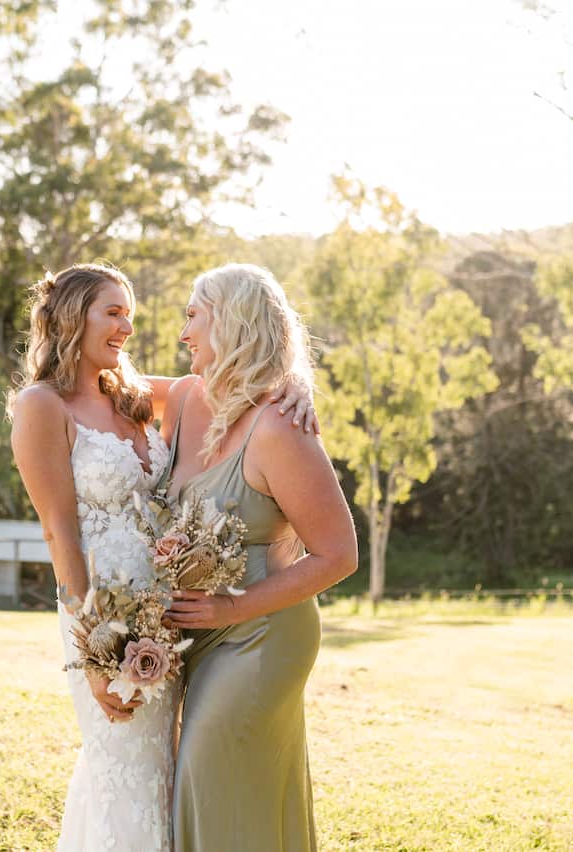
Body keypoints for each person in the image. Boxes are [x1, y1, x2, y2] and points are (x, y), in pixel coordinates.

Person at [7, 262, 317, 852]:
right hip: (107, 619)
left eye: (131, 314)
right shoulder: (40, 406)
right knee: (121, 767)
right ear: (73, 316)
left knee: (169, 774)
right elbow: (60, 536)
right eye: (113, 312)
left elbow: (242, 376)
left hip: (169, 620)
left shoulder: (132, 395)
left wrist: (295, 382)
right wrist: (95, 650)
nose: (127, 327)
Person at [160, 263, 357, 852]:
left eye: (193, 314)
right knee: (226, 790)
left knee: (207, 772)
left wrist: (231, 607)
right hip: (201, 638)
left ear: (232, 321)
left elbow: (339, 553)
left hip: (263, 635)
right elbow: (93, 382)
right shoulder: (183, 397)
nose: (183, 331)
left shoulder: (280, 426)